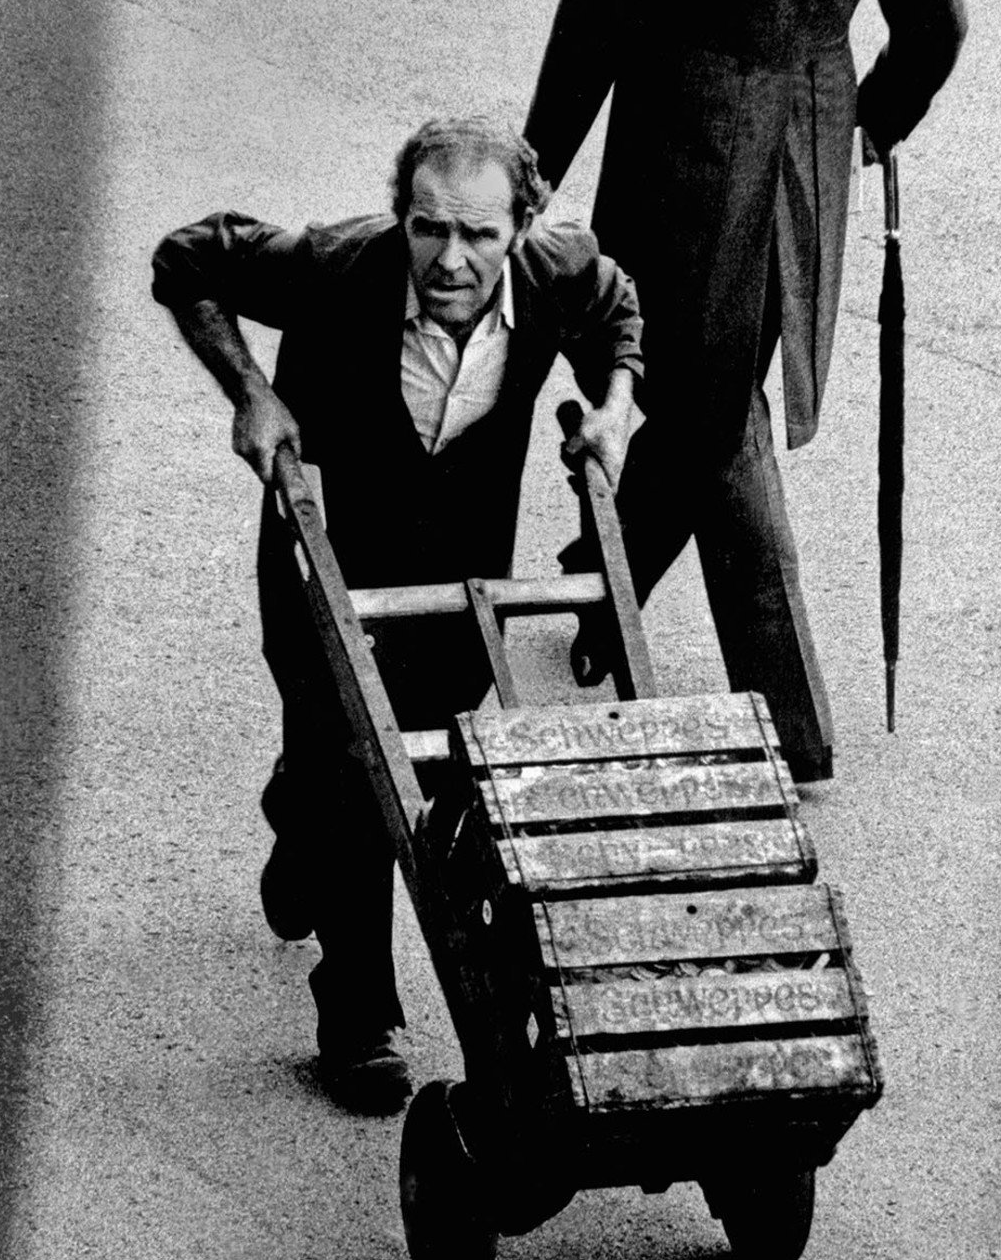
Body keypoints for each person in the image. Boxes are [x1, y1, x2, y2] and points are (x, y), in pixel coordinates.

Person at [524, 0, 968, 784]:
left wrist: (522, 182)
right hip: (805, 184)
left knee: (700, 413)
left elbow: (588, 40)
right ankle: (645, 619)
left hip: (676, 189)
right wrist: (863, 126)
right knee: (717, 409)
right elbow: (935, 29)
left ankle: (741, 687)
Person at [151, 116, 641, 1110]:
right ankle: (357, 1012)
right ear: (401, 215)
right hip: (323, 550)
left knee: (428, 759)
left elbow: (613, 309)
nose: (448, 259)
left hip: (459, 573)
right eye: (427, 229)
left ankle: (301, 812)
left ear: (523, 226)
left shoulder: (558, 272)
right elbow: (185, 261)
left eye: (478, 235)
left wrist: (615, 407)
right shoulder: (334, 267)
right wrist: (251, 392)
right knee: (347, 756)